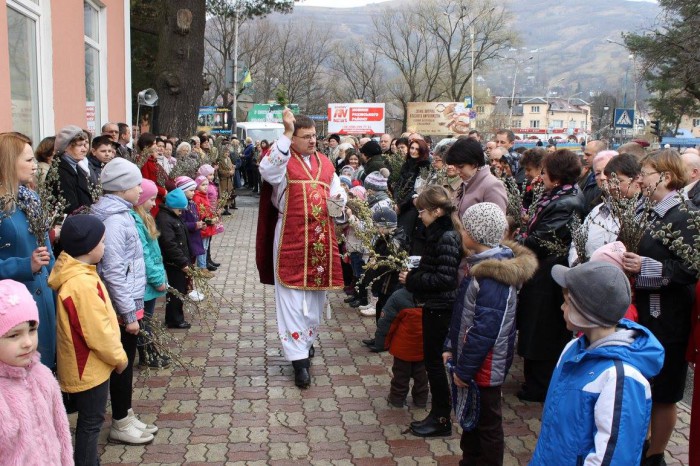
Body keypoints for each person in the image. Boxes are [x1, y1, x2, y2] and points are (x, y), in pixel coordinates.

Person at [530, 262, 665, 466]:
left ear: (585, 312)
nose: (561, 307)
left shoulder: (621, 378)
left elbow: (614, 458)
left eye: (567, 302)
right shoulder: (573, 349)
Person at [257, 109, 346, 389]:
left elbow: (336, 190)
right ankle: (299, 362)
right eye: (305, 137)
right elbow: (267, 170)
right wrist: (284, 132)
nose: (312, 141)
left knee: (315, 301)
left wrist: (340, 201)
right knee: (292, 300)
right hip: (290, 237)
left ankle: (306, 342)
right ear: (292, 139)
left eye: (314, 136)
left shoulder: (325, 163)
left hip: (320, 237)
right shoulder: (282, 161)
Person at [444, 203, 537, 466]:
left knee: (487, 423)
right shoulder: (481, 267)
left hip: (485, 365)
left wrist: (464, 369)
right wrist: (450, 345)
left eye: (463, 228)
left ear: (474, 234)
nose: (460, 233)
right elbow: (463, 315)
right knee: (472, 418)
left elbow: (484, 332)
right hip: (474, 362)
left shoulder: (492, 276)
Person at [622, 149, 697, 466]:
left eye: (645, 172)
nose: (640, 178)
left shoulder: (686, 216)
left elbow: (690, 269)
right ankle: (643, 441)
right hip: (644, 315)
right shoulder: (648, 211)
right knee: (645, 384)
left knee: (665, 390)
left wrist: (644, 267)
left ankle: (655, 455)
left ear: (665, 176)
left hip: (669, 319)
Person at [49, 215, 129, 465]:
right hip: (88, 367)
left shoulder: (82, 274)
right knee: (91, 423)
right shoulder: (81, 283)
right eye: (103, 242)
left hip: (89, 365)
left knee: (90, 421)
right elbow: (97, 331)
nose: (105, 246)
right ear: (90, 247)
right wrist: (119, 357)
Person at [90, 157, 157, 445]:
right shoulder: (116, 220)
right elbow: (114, 270)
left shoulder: (123, 213)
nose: (139, 188)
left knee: (126, 363)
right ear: (121, 188)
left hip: (129, 301)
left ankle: (125, 414)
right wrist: (129, 314)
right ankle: (119, 420)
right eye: (135, 184)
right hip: (122, 306)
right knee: (122, 364)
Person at [516, 149, 584, 402]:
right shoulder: (556, 196)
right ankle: (534, 381)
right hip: (541, 272)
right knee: (535, 326)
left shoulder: (567, 202)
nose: (540, 176)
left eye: (544, 172)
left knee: (543, 330)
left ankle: (540, 386)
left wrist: (519, 239)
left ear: (555, 177)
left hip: (548, 276)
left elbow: (543, 241)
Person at [402, 185, 462, 437]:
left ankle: (441, 418)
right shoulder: (437, 232)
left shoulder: (446, 236)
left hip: (441, 307)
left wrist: (413, 280)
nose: (420, 216)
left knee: (435, 364)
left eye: (423, 211)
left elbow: (445, 279)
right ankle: (437, 414)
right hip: (434, 305)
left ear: (437, 211)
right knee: (432, 363)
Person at [0, 279, 73, 464]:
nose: (28, 342)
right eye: (14, 335)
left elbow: (62, 432)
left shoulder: (43, 376)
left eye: (32, 330)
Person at [0, 132, 56, 369]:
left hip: (43, 296)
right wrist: (24, 265)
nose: (35, 166)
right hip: (13, 306)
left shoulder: (30, 198)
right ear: (8, 161)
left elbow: (46, 248)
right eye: (28, 160)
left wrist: (56, 281)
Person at [131, 179, 169, 368]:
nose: (155, 203)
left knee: (147, 319)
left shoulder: (144, 217)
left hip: (150, 279)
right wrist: (157, 278)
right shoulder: (137, 221)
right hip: (146, 281)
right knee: (144, 321)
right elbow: (144, 254)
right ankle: (147, 355)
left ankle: (150, 352)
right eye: (151, 199)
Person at [156, 189, 192, 330]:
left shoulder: (172, 217)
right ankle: (174, 319)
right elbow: (169, 244)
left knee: (180, 289)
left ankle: (176, 317)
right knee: (176, 291)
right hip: (174, 262)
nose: (181, 212)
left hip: (179, 260)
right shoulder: (165, 219)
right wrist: (182, 262)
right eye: (179, 210)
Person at [445, 138, 507, 219]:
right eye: (455, 166)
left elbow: (497, 226)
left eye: (460, 167)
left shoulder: (492, 185)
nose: (457, 171)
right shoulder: (467, 181)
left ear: (474, 163)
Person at [392, 139, 431, 255]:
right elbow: (400, 184)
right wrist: (396, 200)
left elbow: (417, 190)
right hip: (400, 203)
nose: (413, 151)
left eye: (417, 149)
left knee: (404, 236)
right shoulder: (407, 163)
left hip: (412, 206)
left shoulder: (425, 166)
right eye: (412, 148)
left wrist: (401, 205)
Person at [54, 125, 93, 215]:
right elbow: (70, 208)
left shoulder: (76, 167)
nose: (84, 149)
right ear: (66, 147)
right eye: (79, 145)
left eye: (84, 145)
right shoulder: (60, 173)